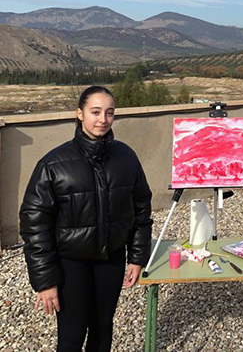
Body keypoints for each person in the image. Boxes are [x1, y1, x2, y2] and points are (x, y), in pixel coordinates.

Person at [20, 86, 153, 351]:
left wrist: (137, 257)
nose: (103, 119)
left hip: (110, 259)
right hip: (71, 263)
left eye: (109, 113)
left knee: (103, 329)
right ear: (79, 114)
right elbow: (35, 225)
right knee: (71, 334)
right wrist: (45, 281)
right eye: (95, 112)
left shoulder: (126, 157)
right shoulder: (54, 164)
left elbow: (141, 208)